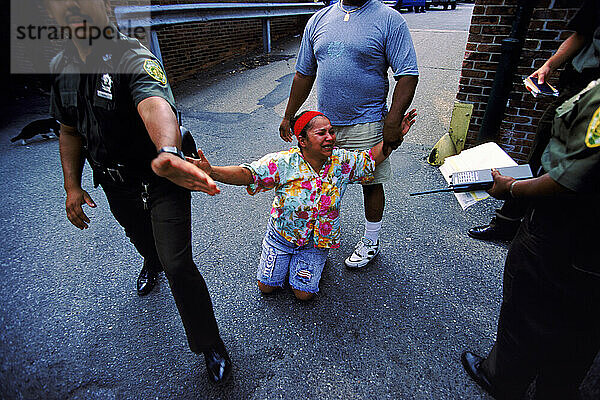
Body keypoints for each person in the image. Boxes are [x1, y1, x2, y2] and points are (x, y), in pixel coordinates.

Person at [44, 0, 230, 384]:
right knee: (140, 237)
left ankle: (209, 343)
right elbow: (69, 130)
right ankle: (150, 259)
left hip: (164, 178)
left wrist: (167, 150)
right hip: (115, 183)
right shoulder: (62, 67)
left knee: (177, 263)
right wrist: (72, 186)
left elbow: (154, 104)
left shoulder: (131, 55)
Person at [461, 78, 600, 399]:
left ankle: (502, 378)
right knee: (583, 322)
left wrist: (511, 189)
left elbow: (568, 179)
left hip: (569, 226)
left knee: (528, 301)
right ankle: (557, 387)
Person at [192, 110, 416, 300]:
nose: (330, 137)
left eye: (331, 131)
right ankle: (281, 255)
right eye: (321, 133)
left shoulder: (342, 162)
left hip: (317, 241)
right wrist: (212, 172)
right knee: (267, 288)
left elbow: (371, 159)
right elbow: (248, 174)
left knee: (303, 294)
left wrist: (393, 140)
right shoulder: (283, 163)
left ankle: (315, 259)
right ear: (303, 140)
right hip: (281, 238)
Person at [279, 0, 419, 269]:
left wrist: (392, 120)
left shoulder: (389, 19)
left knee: (371, 182)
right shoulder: (319, 20)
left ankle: (371, 240)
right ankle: (316, 239)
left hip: (366, 120)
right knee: (317, 184)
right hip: (326, 124)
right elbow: (303, 74)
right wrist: (288, 115)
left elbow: (408, 74)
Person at [468, 0, 600, 241]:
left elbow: (569, 175)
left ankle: (538, 226)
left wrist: (510, 188)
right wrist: (549, 65)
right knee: (541, 151)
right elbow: (581, 33)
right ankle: (512, 220)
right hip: (576, 85)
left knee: (570, 165)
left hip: (590, 91)